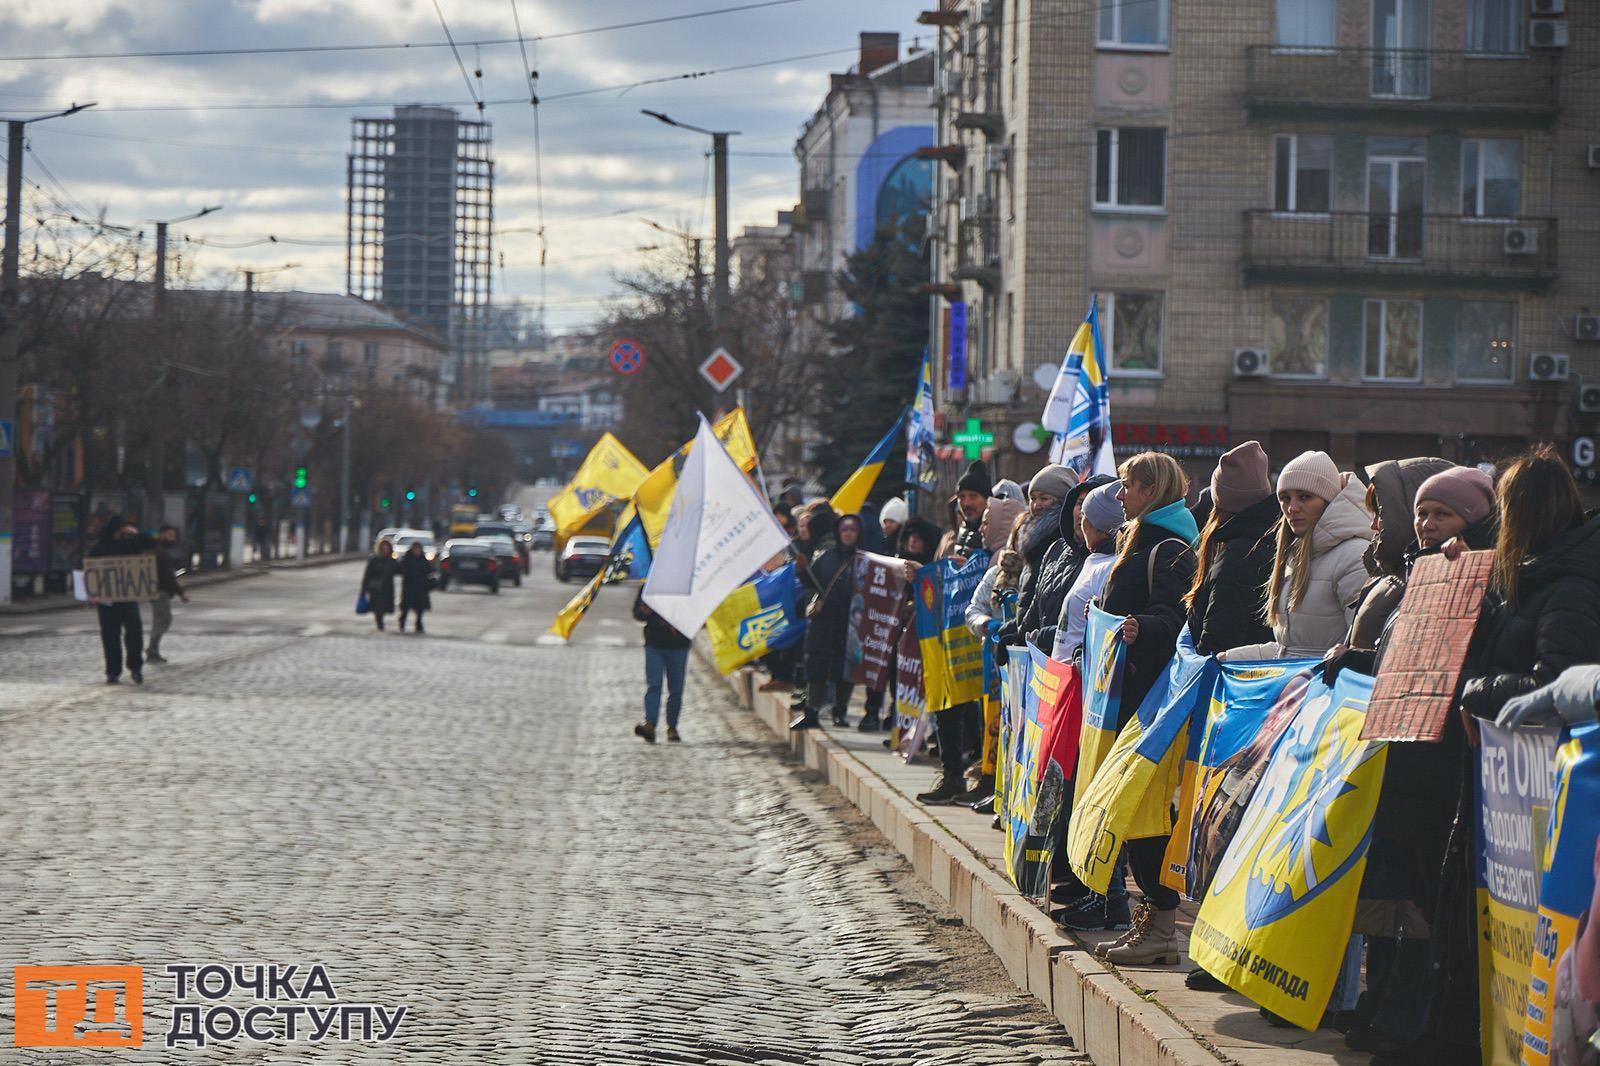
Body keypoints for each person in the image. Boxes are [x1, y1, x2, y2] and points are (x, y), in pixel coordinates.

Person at [1328, 460, 1492, 1058]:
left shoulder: (1479, 577)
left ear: (1473, 517)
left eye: (1440, 513)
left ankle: (1409, 1015)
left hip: (1443, 764)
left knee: (1424, 899)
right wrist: (1360, 662)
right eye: (1421, 511)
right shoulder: (1417, 576)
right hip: (1401, 755)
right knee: (1391, 893)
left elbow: (1454, 666)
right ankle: (1383, 1000)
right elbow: (1410, 663)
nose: (1425, 523)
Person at [1219, 449, 1373, 1023]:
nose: (1292, 507)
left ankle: (1328, 990)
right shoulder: (1296, 550)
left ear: (1329, 497)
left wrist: (1330, 672)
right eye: (1285, 497)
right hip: (1297, 725)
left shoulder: (1353, 554)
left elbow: (1360, 641)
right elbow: (1290, 649)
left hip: (1332, 733)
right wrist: (1230, 659)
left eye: (1303, 496)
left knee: (1315, 863)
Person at [1080, 453, 1198, 961]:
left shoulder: (1169, 547)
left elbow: (1175, 618)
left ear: (1151, 489)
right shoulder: (1137, 538)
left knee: (1145, 814)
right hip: (1121, 699)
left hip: (1150, 704)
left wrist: (1140, 627)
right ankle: (1153, 920)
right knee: (1129, 815)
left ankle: (1162, 927)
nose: (1119, 495)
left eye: (1127, 486)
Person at [1461, 445, 1600, 724]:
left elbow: (1556, 688)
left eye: (1502, 509)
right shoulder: (1535, 576)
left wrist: (1477, 694)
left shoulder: (1570, 589)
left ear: (1519, 514)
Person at [919, 462, 992, 804]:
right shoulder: (957, 534)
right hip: (952, 633)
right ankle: (952, 775)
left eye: (973, 495)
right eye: (962, 495)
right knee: (948, 705)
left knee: (979, 708)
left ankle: (981, 772)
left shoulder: (995, 531)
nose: (967, 502)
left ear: (987, 498)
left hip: (980, 632)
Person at [1182, 441, 1278, 657]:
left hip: (1232, 687)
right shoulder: (1275, 543)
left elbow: (1216, 643)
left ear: (1219, 503)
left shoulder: (1234, 560)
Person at [793, 508, 859, 730]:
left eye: (853, 530)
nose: (848, 534)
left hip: (849, 622)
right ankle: (811, 711)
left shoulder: (862, 559)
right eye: (845, 529)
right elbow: (811, 583)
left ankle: (840, 711)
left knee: (844, 669)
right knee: (816, 666)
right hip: (823, 620)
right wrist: (801, 570)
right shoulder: (826, 556)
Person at [88, 515, 154, 685]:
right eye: (119, 530)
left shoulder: (130, 544)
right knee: (110, 637)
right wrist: (91, 593)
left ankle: (135, 667)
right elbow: (88, 571)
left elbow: (150, 542)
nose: (121, 533)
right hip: (107, 602)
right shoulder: (98, 548)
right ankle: (113, 672)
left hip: (128, 599)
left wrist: (135, 532)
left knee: (134, 635)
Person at [633, 587, 692, 743]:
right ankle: (650, 725)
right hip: (654, 644)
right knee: (654, 685)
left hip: (679, 645)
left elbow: (694, 613)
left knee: (676, 689)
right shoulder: (650, 585)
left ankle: (672, 727)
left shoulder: (687, 587)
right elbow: (637, 613)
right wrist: (645, 611)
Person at [145, 524, 189, 664]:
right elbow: (168, 576)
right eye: (170, 535)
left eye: (173, 536)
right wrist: (180, 593)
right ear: (163, 534)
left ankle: (153, 649)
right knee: (161, 620)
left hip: (156, 590)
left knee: (164, 619)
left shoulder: (156, 551)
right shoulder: (162, 553)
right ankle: (152, 651)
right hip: (160, 591)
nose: (172, 538)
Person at [397, 542, 433, 633]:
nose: (417, 551)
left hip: (421, 588)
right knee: (406, 607)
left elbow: (429, 570)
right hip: (409, 587)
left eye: (418, 550)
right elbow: (401, 570)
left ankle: (418, 623)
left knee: (420, 607)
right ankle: (402, 621)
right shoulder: (407, 559)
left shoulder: (423, 560)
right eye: (415, 549)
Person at [362, 540, 397, 631]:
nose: (385, 550)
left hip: (387, 587)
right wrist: (364, 589)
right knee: (378, 607)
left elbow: (399, 570)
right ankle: (379, 623)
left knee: (385, 606)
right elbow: (368, 575)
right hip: (376, 587)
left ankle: (380, 621)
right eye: (383, 548)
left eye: (387, 548)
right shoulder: (374, 560)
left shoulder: (392, 561)